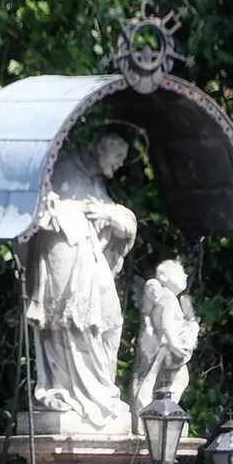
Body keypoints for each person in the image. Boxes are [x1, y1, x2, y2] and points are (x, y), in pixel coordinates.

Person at [24, 135, 138, 432]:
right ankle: (68, 391)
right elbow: (36, 211)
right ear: (100, 147)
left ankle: (99, 393)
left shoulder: (96, 183)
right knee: (70, 321)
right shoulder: (61, 168)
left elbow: (118, 217)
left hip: (89, 260)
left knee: (110, 322)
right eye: (116, 157)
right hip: (62, 254)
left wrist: (111, 216)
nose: (118, 165)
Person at [130, 259, 198, 412]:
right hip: (167, 349)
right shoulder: (168, 299)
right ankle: (164, 411)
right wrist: (174, 344)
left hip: (163, 350)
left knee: (161, 382)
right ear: (164, 277)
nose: (185, 275)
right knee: (177, 380)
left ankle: (159, 410)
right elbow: (166, 323)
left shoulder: (163, 298)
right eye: (180, 272)